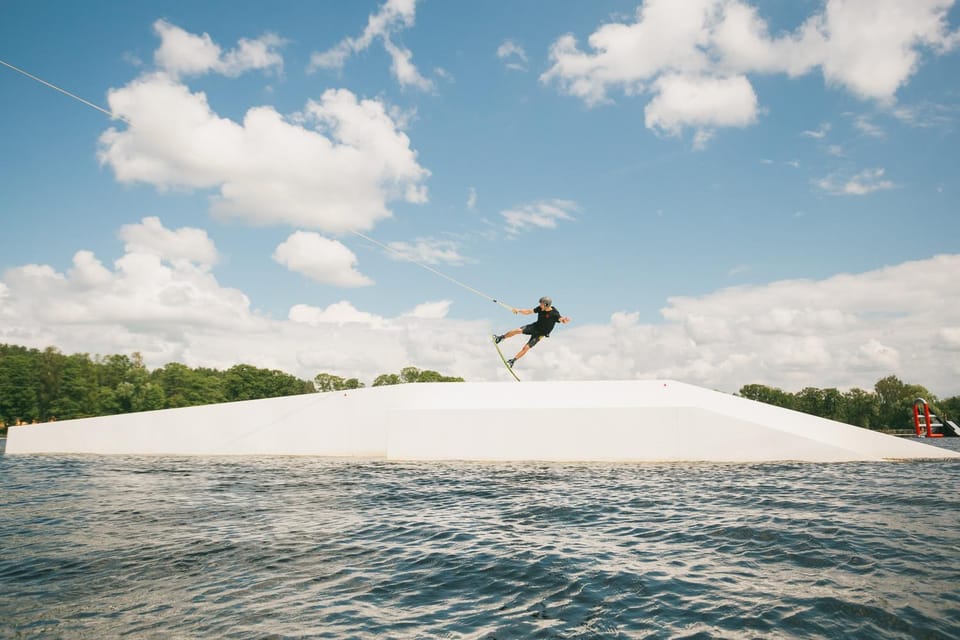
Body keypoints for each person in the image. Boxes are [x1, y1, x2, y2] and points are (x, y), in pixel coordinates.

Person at [494, 296, 570, 367]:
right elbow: (529, 312)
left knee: (526, 347)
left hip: (541, 334)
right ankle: (500, 338)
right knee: (518, 330)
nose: (540, 305)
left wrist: (565, 320)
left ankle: (512, 361)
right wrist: (518, 310)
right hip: (535, 327)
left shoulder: (554, 313)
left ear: (546, 305)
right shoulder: (540, 308)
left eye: (541, 304)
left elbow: (561, 319)